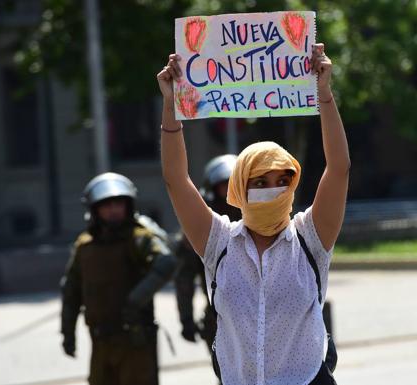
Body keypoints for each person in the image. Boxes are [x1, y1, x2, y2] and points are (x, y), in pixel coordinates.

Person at [157, 42, 349, 385]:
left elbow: (338, 169)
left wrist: (325, 95)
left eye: (282, 180)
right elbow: (175, 179)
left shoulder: (311, 239)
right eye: (260, 181)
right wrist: (171, 104)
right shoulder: (219, 242)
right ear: (240, 188)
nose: (272, 189)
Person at [60, 172, 177, 385]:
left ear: (128, 205)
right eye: (106, 205)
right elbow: (71, 290)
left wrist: (136, 299)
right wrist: (68, 332)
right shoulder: (85, 245)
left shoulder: (139, 238)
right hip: (100, 341)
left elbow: (166, 262)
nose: (113, 210)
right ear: (94, 209)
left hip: (134, 341)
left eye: (118, 203)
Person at [174, 154, 241, 351]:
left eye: (236, 184)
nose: (232, 193)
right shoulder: (200, 231)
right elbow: (184, 279)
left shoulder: (267, 222)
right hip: (220, 318)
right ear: (212, 191)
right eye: (225, 186)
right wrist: (186, 318)